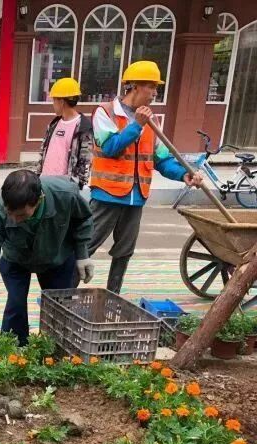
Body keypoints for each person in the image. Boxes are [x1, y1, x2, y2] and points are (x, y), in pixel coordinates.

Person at [88, 61, 205, 293]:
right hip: (108, 195)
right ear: (134, 86)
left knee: (124, 251)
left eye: (156, 88)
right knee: (86, 246)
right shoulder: (106, 112)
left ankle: (113, 295)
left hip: (136, 197)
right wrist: (136, 126)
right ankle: (65, 294)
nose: (154, 93)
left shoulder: (153, 121)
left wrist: (184, 175)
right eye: (151, 87)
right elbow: (111, 147)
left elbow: (161, 159)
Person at [0, 171, 94, 345]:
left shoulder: (65, 195)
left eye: (22, 215)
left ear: (39, 200)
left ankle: (55, 350)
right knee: (16, 304)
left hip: (57, 257)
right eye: (11, 214)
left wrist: (82, 253)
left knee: (59, 309)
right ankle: (13, 350)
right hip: (15, 258)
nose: (15, 220)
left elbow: (83, 218)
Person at [36, 77, 93, 189]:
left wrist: (79, 186)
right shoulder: (53, 124)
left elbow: (85, 161)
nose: (53, 104)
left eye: (54, 100)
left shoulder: (84, 127)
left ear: (61, 102)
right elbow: (43, 153)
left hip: (65, 188)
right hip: (45, 183)